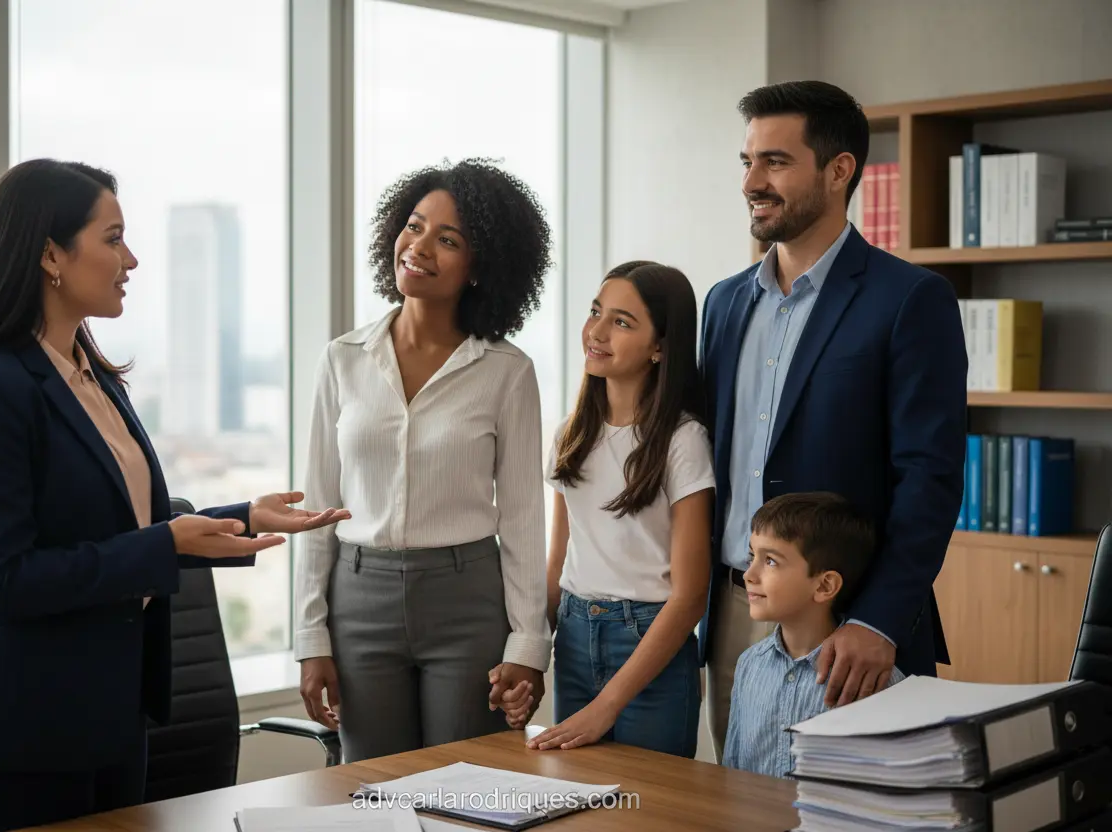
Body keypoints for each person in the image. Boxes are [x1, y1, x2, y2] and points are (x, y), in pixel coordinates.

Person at [0, 159, 349, 832]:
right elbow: (3, 581)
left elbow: (120, 527)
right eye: (113, 238)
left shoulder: (95, 378)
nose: (132, 259)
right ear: (50, 254)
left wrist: (238, 518)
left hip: (113, 719)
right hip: (21, 732)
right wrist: (165, 542)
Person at [699, 80, 966, 762]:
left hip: (850, 626)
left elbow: (930, 479)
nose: (751, 183)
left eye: (775, 162)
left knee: (855, 807)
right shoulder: (723, 304)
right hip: (735, 612)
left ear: (839, 169)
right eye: (747, 161)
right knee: (737, 804)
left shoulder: (910, 299)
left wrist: (879, 619)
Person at [294, 159, 554, 763]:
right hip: (359, 599)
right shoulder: (342, 359)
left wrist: (527, 644)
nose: (419, 246)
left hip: (468, 602)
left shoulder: (507, 372)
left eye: (448, 240)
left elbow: (522, 518)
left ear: (481, 266)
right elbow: (317, 507)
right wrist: (311, 635)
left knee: (467, 787)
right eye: (414, 226)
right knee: (373, 789)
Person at [505, 261, 713, 758]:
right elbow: (558, 564)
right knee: (578, 797)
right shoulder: (570, 434)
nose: (596, 331)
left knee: (647, 799)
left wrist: (608, 705)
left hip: (650, 644)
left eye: (621, 322)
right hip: (574, 637)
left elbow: (690, 597)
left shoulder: (683, 441)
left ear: (660, 347)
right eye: (596, 312)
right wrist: (529, 657)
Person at [723, 492, 906, 778]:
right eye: (751, 557)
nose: (749, 574)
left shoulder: (877, 680)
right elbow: (731, 772)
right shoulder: (748, 665)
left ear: (824, 586)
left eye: (770, 561)